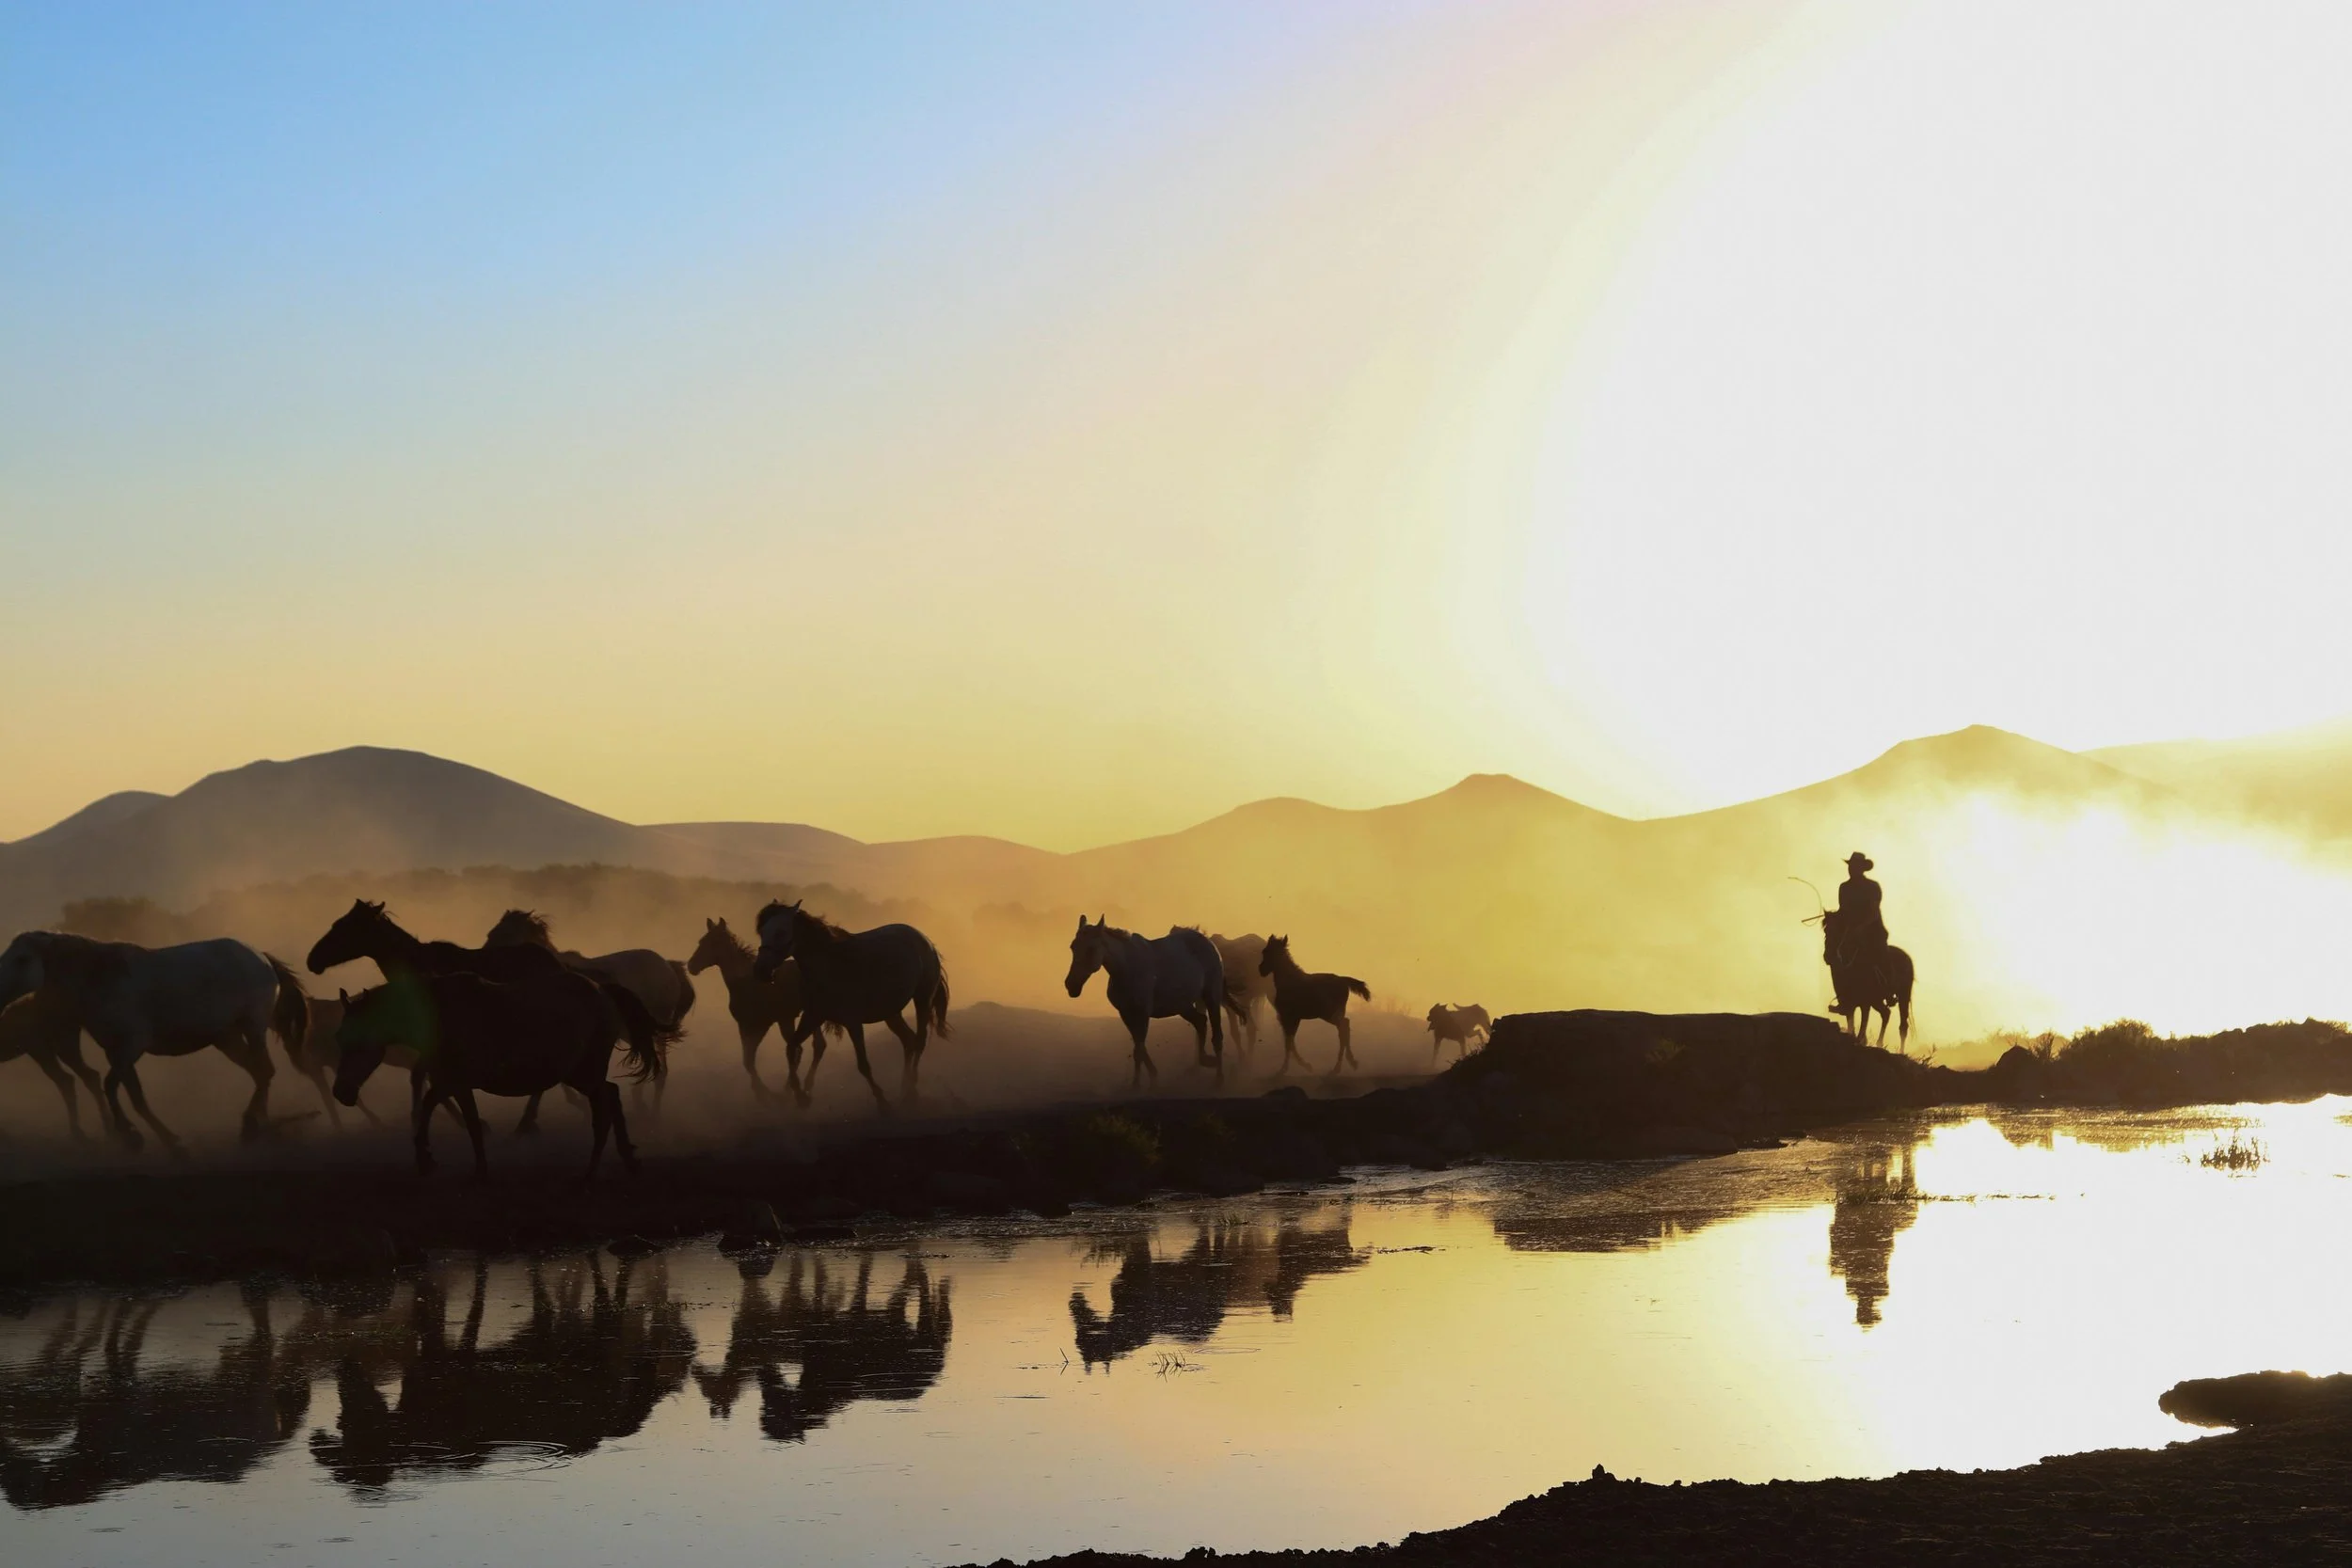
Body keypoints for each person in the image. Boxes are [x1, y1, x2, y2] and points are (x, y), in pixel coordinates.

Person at [1836, 852, 1886, 967]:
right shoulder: (1844, 887)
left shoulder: (1872, 886)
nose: (1851, 869)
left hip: (1873, 930)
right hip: (1851, 930)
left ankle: (1886, 975)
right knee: (1835, 949)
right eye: (1850, 866)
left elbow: (1874, 913)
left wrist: (1861, 927)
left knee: (1882, 954)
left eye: (1854, 866)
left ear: (1862, 868)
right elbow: (1843, 910)